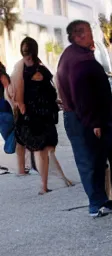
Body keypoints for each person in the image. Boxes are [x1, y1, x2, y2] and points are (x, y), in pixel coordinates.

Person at [57, 20, 112, 216]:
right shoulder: (77, 60)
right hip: (85, 118)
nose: (92, 36)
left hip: (100, 116)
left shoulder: (82, 55)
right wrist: (94, 122)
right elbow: (82, 94)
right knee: (91, 162)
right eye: (88, 33)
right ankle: (96, 203)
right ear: (78, 36)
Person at [13, 38, 73, 194]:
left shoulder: (22, 69)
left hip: (35, 114)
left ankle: (47, 184)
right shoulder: (36, 69)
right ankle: (46, 184)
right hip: (40, 114)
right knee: (45, 150)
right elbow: (49, 90)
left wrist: (22, 107)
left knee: (43, 150)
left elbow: (17, 95)